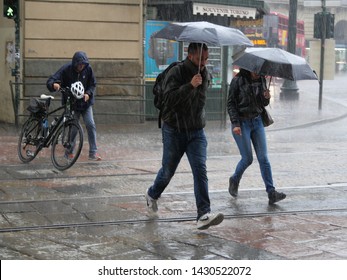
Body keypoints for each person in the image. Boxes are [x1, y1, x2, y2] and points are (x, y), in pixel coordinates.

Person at [145, 43, 224, 230]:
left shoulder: (205, 74)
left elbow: (198, 104)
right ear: (190, 56)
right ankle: (152, 194)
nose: (204, 63)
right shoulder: (177, 73)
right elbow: (168, 100)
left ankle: (203, 214)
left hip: (196, 131)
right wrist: (189, 86)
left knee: (200, 170)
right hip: (174, 130)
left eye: (206, 59)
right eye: (200, 59)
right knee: (167, 172)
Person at [227, 68, 286, 205]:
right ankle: (234, 180)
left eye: (260, 71)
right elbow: (231, 104)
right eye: (255, 71)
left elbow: (262, 104)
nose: (258, 73)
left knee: (263, 158)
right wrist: (235, 123)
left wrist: (266, 97)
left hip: (257, 121)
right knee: (247, 158)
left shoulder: (261, 80)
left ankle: (271, 192)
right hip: (241, 123)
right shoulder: (237, 80)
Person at [46, 51, 101, 161]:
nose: (81, 66)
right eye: (79, 64)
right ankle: (69, 152)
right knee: (74, 128)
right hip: (72, 103)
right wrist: (53, 85)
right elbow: (51, 80)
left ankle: (93, 152)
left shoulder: (88, 69)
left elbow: (92, 84)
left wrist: (88, 93)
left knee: (90, 125)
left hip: (85, 103)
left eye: (83, 64)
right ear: (75, 63)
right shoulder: (66, 69)